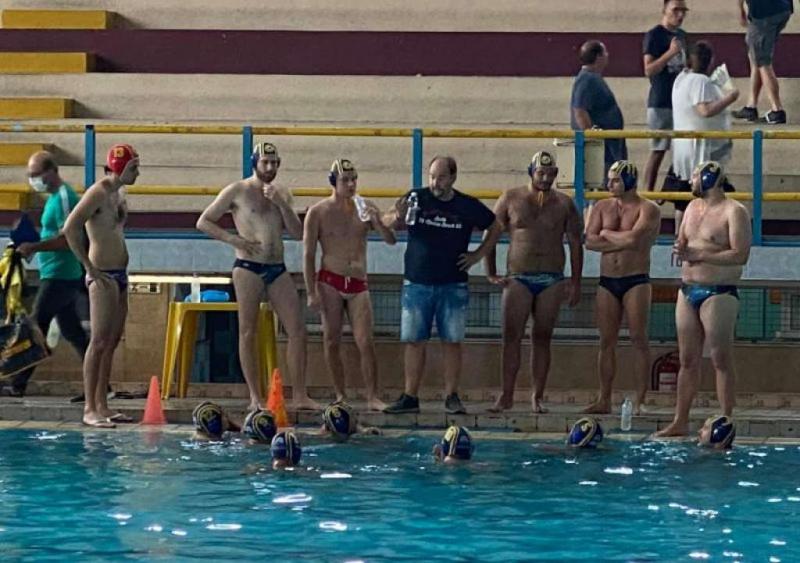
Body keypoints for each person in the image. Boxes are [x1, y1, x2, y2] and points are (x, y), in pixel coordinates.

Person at [196, 142, 318, 412]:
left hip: (277, 267)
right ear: (255, 163)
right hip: (247, 266)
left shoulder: (282, 193)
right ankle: (255, 396)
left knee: (298, 329)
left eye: (275, 163)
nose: (270, 167)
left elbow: (298, 233)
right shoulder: (237, 190)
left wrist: (281, 204)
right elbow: (203, 221)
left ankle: (300, 395)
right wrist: (233, 239)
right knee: (248, 330)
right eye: (266, 162)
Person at [383, 156, 502, 415]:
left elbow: (496, 226)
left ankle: (451, 395)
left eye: (442, 177)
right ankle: (410, 395)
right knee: (414, 340)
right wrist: (397, 216)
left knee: (452, 340)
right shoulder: (416, 198)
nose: (436, 183)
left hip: (452, 283)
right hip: (417, 282)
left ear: (453, 177)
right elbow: (387, 221)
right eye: (432, 177)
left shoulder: (467, 205)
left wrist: (477, 255)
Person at [655, 161, 752, 437]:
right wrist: (681, 247)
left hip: (718, 292)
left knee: (720, 358)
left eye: (695, 176)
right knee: (687, 359)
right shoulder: (691, 208)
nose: (690, 181)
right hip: (688, 290)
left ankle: (726, 419)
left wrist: (699, 255)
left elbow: (740, 255)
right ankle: (680, 420)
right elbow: (684, 241)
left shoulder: (734, 211)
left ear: (711, 178)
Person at [485, 151, 583, 414]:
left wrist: (576, 281)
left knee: (542, 338)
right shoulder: (510, 198)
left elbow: (576, 243)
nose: (546, 178)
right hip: (518, 277)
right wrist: (490, 272)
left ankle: (537, 396)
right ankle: (506, 395)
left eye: (550, 174)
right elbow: (491, 234)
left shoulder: (565, 203)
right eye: (541, 173)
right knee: (511, 338)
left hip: (552, 279)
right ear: (531, 172)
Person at [303, 159, 396, 411]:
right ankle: (340, 395)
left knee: (365, 341)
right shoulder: (318, 212)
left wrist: (378, 222)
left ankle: (372, 396)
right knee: (331, 340)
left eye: (354, 179)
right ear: (333, 182)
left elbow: (390, 240)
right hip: (329, 280)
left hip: (358, 283)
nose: (352, 184)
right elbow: (308, 255)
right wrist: (311, 291)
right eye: (345, 180)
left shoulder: (366, 207)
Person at [1, 151, 90, 399]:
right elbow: (53, 234)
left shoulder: (65, 198)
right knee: (74, 333)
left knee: (34, 327)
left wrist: (35, 247)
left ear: (52, 170)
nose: (33, 181)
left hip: (61, 274)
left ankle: (17, 384)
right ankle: (101, 386)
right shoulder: (53, 199)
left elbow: (68, 239)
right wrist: (27, 242)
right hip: (56, 272)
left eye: (36, 175)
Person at [63, 144, 138, 428]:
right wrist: (89, 267)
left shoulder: (120, 192)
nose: (138, 173)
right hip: (102, 276)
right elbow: (70, 227)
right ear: (119, 168)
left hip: (119, 274)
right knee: (98, 343)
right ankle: (89, 408)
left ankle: (103, 405)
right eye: (133, 168)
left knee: (111, 342)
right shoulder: (98, 192)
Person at [583, 161, 661, 415]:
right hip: (608, 280)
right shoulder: (601, 206)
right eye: (609, 179)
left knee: (639, 339)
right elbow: (589, 242)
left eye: (615, 180)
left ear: (629, 181)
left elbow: (635, 239)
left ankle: (640, 400)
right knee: (606, 341)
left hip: (636, 279)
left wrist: (606, 233)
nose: (609, 184)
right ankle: (604, 398)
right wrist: (621, 241)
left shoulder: (648, 209)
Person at [671, 40, 739, 232]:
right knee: (702, 194)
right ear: (710, 61)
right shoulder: (700, 81)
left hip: (685, 148)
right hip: (698, 150)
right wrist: (730, 97)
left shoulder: (681, 78)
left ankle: (680, 234)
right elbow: (705, 110)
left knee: (684, 195)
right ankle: (693, 234)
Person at [642, 0, 689, 191]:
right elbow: (649, 69)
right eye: (675, 10)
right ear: (664, 10)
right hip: (661, 101)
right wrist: (670, 53)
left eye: (683, 11)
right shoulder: (655, 35)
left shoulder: (682, 36)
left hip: (681, 103)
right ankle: (647, 194)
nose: (680, 15)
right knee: (658, 150)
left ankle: (672, 189)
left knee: (683, 150)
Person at [571, 40, 627, 181]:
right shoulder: (586, 79)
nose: (608, 55)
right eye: (605, 52)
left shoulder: (593, 78)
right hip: (601, 149)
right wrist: (592, 136)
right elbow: (579, 110)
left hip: (608, 145)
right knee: (603, 184)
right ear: (598, 57)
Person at [732, 0, 792, 124]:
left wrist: (740, 9)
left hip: (764, 12)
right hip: (783, 8)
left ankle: (777, 110)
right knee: (755, 56)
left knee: (763, 62)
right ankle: (751, 106)